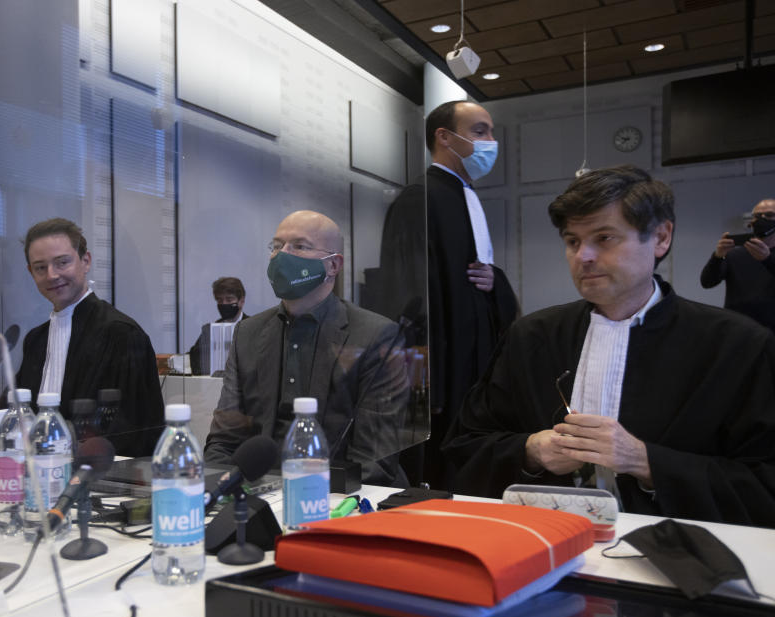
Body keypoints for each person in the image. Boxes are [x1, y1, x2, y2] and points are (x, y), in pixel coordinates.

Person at [443, 165, 775, 527]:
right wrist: (531, 451)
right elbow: (464, 447)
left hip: (678, 557)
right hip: (540, 543)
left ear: (661, 237)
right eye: (572, 241)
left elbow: (763, 484)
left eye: (604, 238)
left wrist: (646, 462)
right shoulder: (530, 336)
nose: (582, 256)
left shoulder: (737, 345)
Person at [204, 210, 409, 486]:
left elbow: (375, 461)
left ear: (333, 266)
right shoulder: (248, 334)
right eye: (277, 246)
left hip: (336, 498)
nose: (282, 255)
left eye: (299, 246)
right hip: (259, 495)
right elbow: (223, 443)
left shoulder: (375, 336)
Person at [419, 100, 517, 488]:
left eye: (491, 132)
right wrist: (428, 384)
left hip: (475, 369)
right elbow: (415, 299)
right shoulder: (421, 198)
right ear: (445, 137)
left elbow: (481, 277)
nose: (491, 141)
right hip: (445, 379)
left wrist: (497, 283)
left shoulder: (466, 194)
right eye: (480, 131)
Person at [15, 218, 164, 456]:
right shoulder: (35, 340)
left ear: (86, 261)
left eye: (62, 262)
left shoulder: (121, 334)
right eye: (41, 267)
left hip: (104, 481)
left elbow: (135, 432)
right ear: (31, 272)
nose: (52, 275)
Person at [699, 199, 775, 332]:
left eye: (769, 215)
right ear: (751, 222)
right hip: (738, 331)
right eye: (757, 216)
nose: (762, 219)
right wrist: (717, 256)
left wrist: (767, 259)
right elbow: (707, 282)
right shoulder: (735, 253)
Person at [189, 276, 248, 375]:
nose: (224, 304)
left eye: (229, 300)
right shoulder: (209, 330)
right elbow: (196, 358)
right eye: (220, 300)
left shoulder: (253, 327)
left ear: (241, 301)